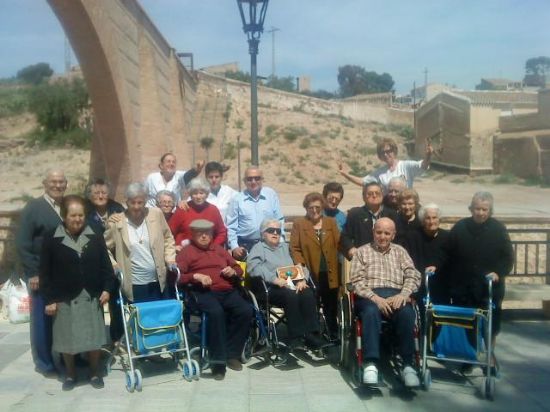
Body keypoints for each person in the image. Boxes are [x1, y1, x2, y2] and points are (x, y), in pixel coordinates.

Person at [40, 195, 115, 391]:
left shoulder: (95, 232)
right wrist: (49, 299)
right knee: (67, 339)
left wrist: (107, 288)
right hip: (64, 295)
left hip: (91, 293)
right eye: (72, 215)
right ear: (64, 216)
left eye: (81, 215)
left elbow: (105, 265)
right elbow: (44, 271)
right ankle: (71, 375)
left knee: (94, 338)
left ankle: (94, 372)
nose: (77, 219)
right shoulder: (51, 237)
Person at [429, 192, 514, 350]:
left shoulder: (498, 229)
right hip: (464, 287)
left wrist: (498, 272)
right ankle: (469, 357)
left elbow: (508, 258)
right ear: (471, 209)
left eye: (484, 209)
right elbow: (446, 251)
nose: (480, 213)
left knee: (491, 326)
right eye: (477, 209)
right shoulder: (461, 227)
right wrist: (435, 264)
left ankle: (490, 359)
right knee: (468, 323)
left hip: (489, 288)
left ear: (490, 211)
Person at [176, 219, 252, 380]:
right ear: (193, 234)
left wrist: (233, 271)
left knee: (245, 310)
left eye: (207, 233)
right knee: (216, 313)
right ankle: (218, 363)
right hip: (202, 291)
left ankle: (232, 354)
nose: (204, 236)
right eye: (199, 233)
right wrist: (195, 276)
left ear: (212, 234)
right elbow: (177, 277)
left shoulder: (219, 249)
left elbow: (238, 268)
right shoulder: (187, 252)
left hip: (227, 290)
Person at [350, 218, 421, 387]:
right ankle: (371, 363)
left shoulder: (400, 252)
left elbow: (413, 275)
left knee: (407, 313)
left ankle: (408, 364)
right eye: (379, 232)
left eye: (387, 233)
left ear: (393, 235)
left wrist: (403, 294)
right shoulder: (362, 252)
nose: (382, 236)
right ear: (373, 232)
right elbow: (356, 281)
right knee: (370, 312)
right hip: (369, 296)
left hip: (396, 295)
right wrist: (375, 298)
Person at [104, 183, 176, 341]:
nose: (136, 207)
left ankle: (155, 347)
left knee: (157, 317)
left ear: (146, 201)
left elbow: (168, 238)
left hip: (158, 278)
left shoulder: (156, 214)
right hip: (134, 281)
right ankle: (141, 350)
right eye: (132, 202)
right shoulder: (117, 222)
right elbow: (104, 248)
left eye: (140, 202)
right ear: (126, 201)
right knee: (140, 319)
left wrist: (170, 258)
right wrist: (114, 264)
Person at [15, 170, 67, 377]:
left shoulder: (67, 205)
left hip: (63, 273)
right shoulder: (34, 208)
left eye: (61, 181)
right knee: (42, 320)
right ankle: (45, 363)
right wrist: (32, 273)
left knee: (65, 318)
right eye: (53, 181)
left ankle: (67, 356)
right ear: (45, 184)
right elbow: (22, 243)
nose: (57, 185)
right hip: (41, 274)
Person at [247, 219, 327, 351]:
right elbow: (253, 267)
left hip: (294, 284)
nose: (275, 233)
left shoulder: (286, 247)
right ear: (263, 234)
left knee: (307, 293)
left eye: (278, 231)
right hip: (271, 288)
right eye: (270, 230)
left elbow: (301, 264)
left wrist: (303, 279)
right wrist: (274, 279)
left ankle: (312, 335)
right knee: (291, 295)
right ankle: (296, 337)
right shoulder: (259, 248)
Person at [290, 192, 341, 339]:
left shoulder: (330, 222)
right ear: (306, 207)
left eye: (317, 207)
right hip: (310, 271)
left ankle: (333, 331)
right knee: (312, 303)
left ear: (322, 207)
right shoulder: (299, 224)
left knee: (330, 305)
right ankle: (314, 334)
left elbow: (339, 243)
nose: (314, 210)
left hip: (330, 271)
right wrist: (300, 266)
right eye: (311, 207)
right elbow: (294, 248)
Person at [226, 166, 284, 260]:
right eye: (249, 179)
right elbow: (231, 227)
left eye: (257, 178)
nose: (253, 182)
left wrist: (280, 241)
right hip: (245, 247)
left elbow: (279, 219)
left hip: (269, 244)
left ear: (262, 180)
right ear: (244, 181)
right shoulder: (237, 199)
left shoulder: (271, 195)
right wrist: (234, 247)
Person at [338, 137, 433, 190]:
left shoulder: (406, 166)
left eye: (388, 151)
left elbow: (423, 166)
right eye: (382, 152)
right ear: (380, 156)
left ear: (394, 151)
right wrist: (345, 174)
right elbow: (363, 182)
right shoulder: (380, 172)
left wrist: (428, 155)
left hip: (405, 206)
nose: (386, 154)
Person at [340, 181, 398, 260]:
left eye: (377, 193)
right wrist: (351, 248)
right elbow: (345, 236)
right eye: (370, 193)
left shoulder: (392, 214)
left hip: (388, 258)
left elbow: (398, 237)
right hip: (363, 258)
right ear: (363, 197)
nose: (374, 196)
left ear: (382, 195)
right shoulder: (355, 214)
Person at [169, 178, 227, 251]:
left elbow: (221, 232)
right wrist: (174, 247)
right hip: (185, 252)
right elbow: (169, 232)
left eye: (201, 193)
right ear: (190, 194)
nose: (198, 197)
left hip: (207, 252)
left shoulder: (213, 210)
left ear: (207, 194)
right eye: (195, 193)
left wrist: (214, 246)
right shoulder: (183, 209)